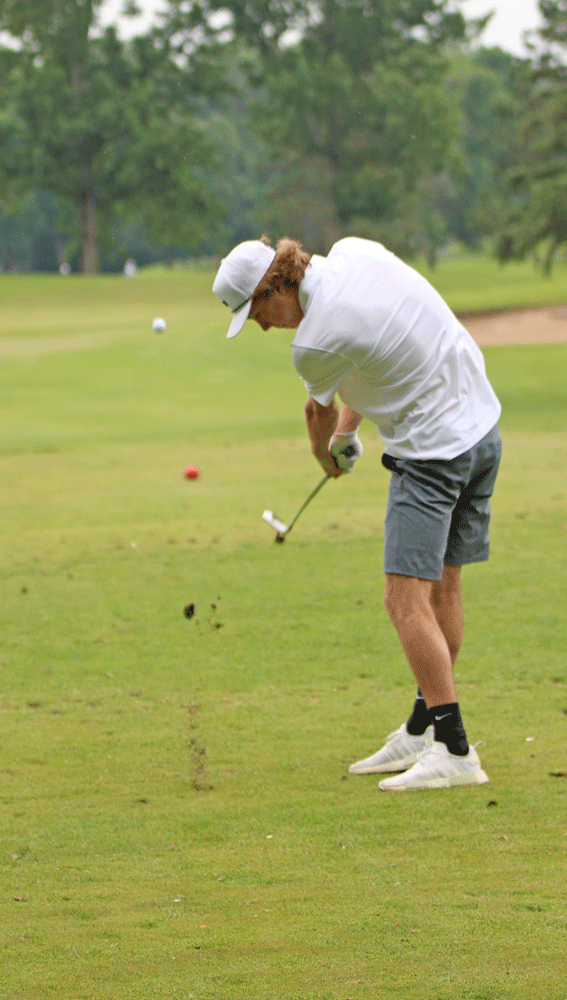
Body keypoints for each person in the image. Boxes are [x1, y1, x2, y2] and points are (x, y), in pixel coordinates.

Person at [212, 236, 502, 791]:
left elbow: (314, 411)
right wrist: (350, 433)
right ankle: (424, 728)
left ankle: (456, 749)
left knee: (403, 599)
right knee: (443, 590)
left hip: (435, 452)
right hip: (482, 431)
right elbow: (372, 357)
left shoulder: (313, 343)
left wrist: (327, 458)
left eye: (256, 313)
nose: (264, 327)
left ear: (277, 287)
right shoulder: (354, 252)